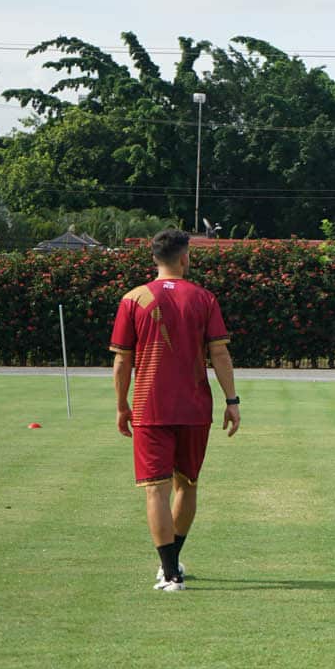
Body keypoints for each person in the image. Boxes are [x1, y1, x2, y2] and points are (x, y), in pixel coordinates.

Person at [110, 228, 240, 592]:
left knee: (156, 490)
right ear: (184, 257)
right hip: (196, 409)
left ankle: (169, 572)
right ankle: (172, 564)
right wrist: (232, 401)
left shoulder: (132, 298)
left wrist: (121, 406)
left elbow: (123, 361)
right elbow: (220, 354)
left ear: (154, 258)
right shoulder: (204, 298)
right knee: (188, 484)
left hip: (150, 407)